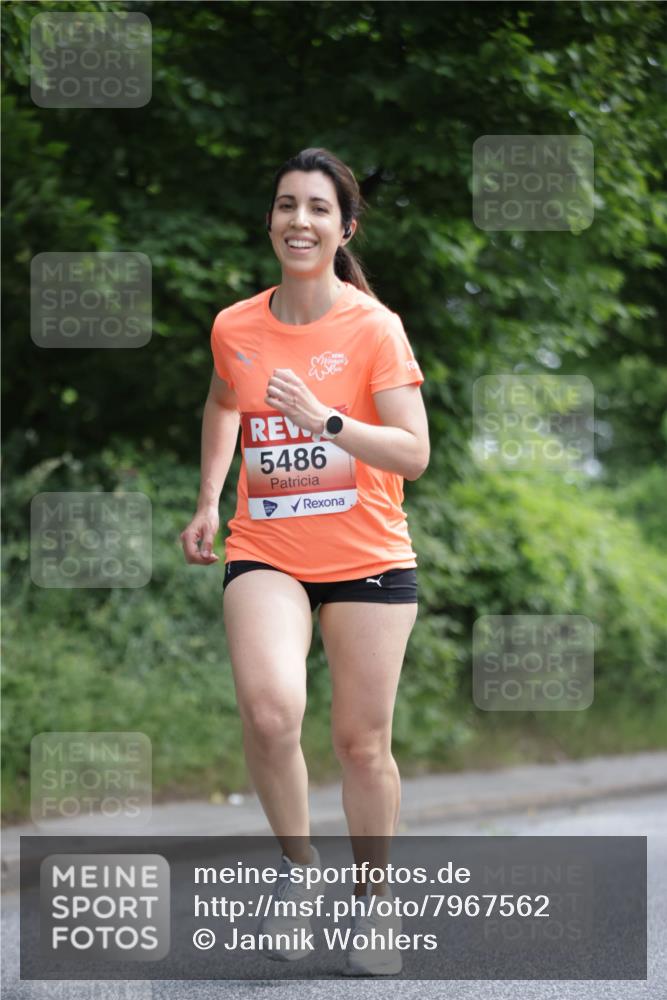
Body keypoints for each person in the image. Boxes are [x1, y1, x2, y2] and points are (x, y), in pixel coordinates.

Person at [180, 147, 429, 976]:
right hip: (267, 549)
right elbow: (223, 401)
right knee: (268, 711)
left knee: (361, 744)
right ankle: (296, 874)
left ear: (343, 227)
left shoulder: (373, 326)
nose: (299, 220)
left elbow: (413, 451)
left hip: (367, 556)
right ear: (270, 221)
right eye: (286, 205)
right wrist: (210, 495)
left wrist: (324, 421)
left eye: (318, 208)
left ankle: (375, 906)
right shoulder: (235, 325)